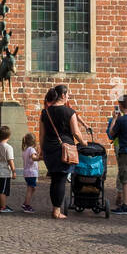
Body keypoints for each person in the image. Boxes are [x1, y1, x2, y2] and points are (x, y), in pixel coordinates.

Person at [41, 84, 88, 220]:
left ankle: (55, 208)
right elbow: (76, 132)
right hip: (64, 150)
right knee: (61, 180)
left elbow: (41, 135)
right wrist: (84, 142)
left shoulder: (46, 112)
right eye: (68, 94)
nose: (69, 96)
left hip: (49, 149)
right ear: (63, 95)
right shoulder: (70, 112)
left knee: (54, 179)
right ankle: (56, 211)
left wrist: (41, 150)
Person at [0, 126, 15, 213]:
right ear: (9, 136)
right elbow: (10, 160)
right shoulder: (8, 147)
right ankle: (3, 207)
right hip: (4, 172)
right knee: (3, 191)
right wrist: (14, 171)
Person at [21, 133, 40, 213]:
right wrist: (39, 157)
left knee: (32, 188)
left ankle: (25, 203)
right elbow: (33, 158)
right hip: (31, 173)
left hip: (27, 173)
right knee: (30, 189)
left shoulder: (25, 150)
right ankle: (27, 205)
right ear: (34, 141)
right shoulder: (31, 150)